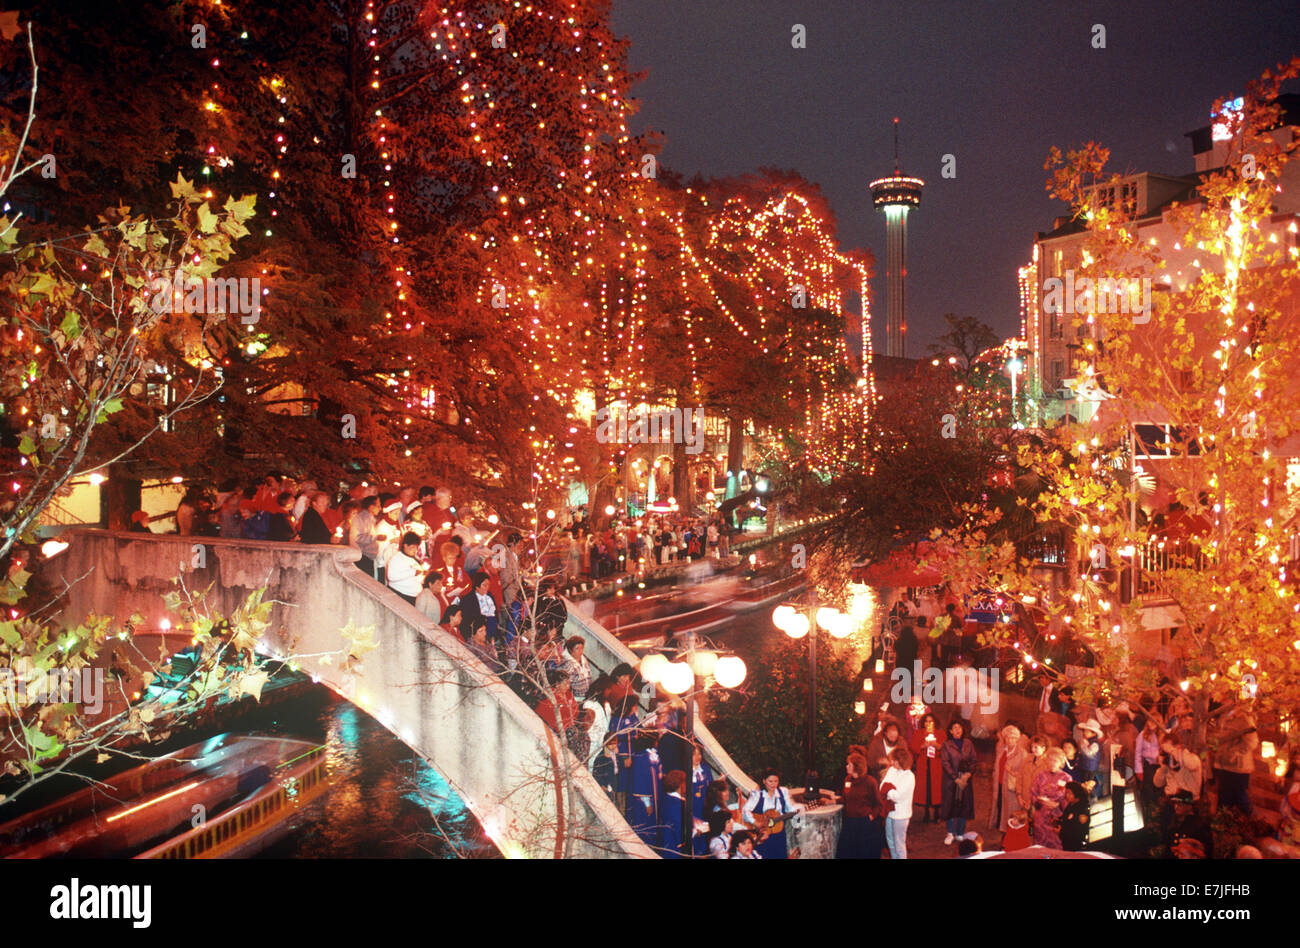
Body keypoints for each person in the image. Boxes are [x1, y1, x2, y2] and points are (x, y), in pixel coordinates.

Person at [742, 769, 803, 860]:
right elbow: (745, 810)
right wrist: (756, 823)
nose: (773, 784)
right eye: (770, 781)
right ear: (764, 781)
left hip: (778, 833)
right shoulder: (758, 795)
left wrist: (798, 812)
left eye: (776, 781)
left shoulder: (783, 792)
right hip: (763, 834)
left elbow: (789, 809)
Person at [1212, 701, 1259, 815]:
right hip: (1224, 765)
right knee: (1224, 798)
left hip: (1238, 768)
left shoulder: (1244, 719)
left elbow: (1252, 742)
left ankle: (1248, 821)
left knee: (1240, 798)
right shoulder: (1224, 717)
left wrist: (1234, 753)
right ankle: (1223, 821)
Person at [837, 752, 885, 859]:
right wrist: (831, 801)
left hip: (864, 824)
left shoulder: (870, 782)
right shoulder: (847, 780)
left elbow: (878, 804)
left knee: (863, 853)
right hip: (849, 823)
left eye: (849, 764)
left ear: (856, 767)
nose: (846, 766)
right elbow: (845, 799)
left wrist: (871, 816)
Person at [940, 718, 977, 844]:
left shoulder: (968, 743)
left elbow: (973, 760)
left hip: (965, 780)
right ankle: (950, 832)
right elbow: (945, 763)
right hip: (951, 781)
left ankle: (960, 832)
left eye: (959, 727)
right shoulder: (946, 745)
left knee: (964, 805)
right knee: (950, 806)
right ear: (950, 731)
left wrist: (968, 774)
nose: (957, 730)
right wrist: (955, 778)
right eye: (954, 728)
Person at [990, 722, 1031, 833]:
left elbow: (1025, 774)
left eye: (1013, 738)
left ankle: (1009, 830)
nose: (1010, 740)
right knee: (1000, 805)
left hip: (1011, 786)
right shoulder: (1001, 750)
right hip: (999, 783)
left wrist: (1011, 771)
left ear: (1017, 739)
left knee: (1011, 808)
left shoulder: (1022, 753)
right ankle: (1000, 825)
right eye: (1007, 737)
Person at [1030, 747, 1071, 849]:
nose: (1052, 763)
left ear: (1061, 762)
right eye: (1050, 760)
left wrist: (1058, 805)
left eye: (1055, 760)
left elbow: (1069, 799)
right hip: (1041, 819)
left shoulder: (1066, 778)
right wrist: (1040, 802)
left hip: (1056, 820)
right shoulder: (1041, 775)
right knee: (1040, 848)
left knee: (1056, 848)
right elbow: (1033, 793)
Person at [880, 746, 915, 859]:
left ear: (901, 761)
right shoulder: (892, 770)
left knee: (899, 843)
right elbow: (882, 786)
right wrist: (890, 789)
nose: (892, 763)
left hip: (901, 815)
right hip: (889, 813)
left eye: (894, 760)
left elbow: (898, 796)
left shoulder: (909, 776)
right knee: (890, 840)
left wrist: (888, 790)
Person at [910, 712, 944, 822]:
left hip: (936, 765)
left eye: (931, 721)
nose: (928, 724)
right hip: (923, 764)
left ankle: (937, 813)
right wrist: (922, 746)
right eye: (926, 721)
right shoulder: (918, 733)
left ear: (935, 723)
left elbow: (945, 749)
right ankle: (926, 813)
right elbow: (913, 747)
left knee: (936, 789)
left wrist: (937, 745)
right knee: (925, 789)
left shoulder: (940, 733)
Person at [385, 532, 425, 606]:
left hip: (413, 597)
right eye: (413, 547)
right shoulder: (396, 558)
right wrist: (413, 572)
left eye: (417, 547)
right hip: (401, 596)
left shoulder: (414, 559)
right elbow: (391, 577)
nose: (415, 550)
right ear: (405, 545)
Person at [689, 745, 714, 854]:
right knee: (694, 833)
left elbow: (711, 786)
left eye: (699, 754)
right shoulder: (686, 770)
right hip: (692, 807)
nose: (697, 757)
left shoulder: (705, 768)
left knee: (705, 833)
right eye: (694, 754)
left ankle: (703, 852)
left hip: (704, 807)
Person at [659, 769, 690, 858]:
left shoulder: (666, 798)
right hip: (674, 846)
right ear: (681, 785)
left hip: (664, 842)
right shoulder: (678, 804)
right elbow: (680, 828)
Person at [1059, 781, 1092, 851]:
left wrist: (1061, 831)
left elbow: (1079, 830)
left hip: (1076, 845)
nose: (1067, 795)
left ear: (1076, 794)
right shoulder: (1071, 805)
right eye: (1066, 793)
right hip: (1067, 842)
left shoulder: (1083, 808)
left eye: (1070, 793)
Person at [1075, 718, 1103, 799]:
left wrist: (1083, 745)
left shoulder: (1095, 744)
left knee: (1088, 785)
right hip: (1084, 767)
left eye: (1087, 731)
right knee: (1084, 784)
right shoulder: (1088, 742)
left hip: (1090, 769)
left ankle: (1091, 799)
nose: (1084, 732)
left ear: (1093, 733)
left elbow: (1089, 754)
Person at [562, 635, 591, 702]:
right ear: (570, 650)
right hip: (575, 698)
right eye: (577, 648)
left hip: (586, 695)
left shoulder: (583, 659)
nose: (580, 651)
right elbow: (565, 683)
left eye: (582, 648)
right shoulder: (567, 664)